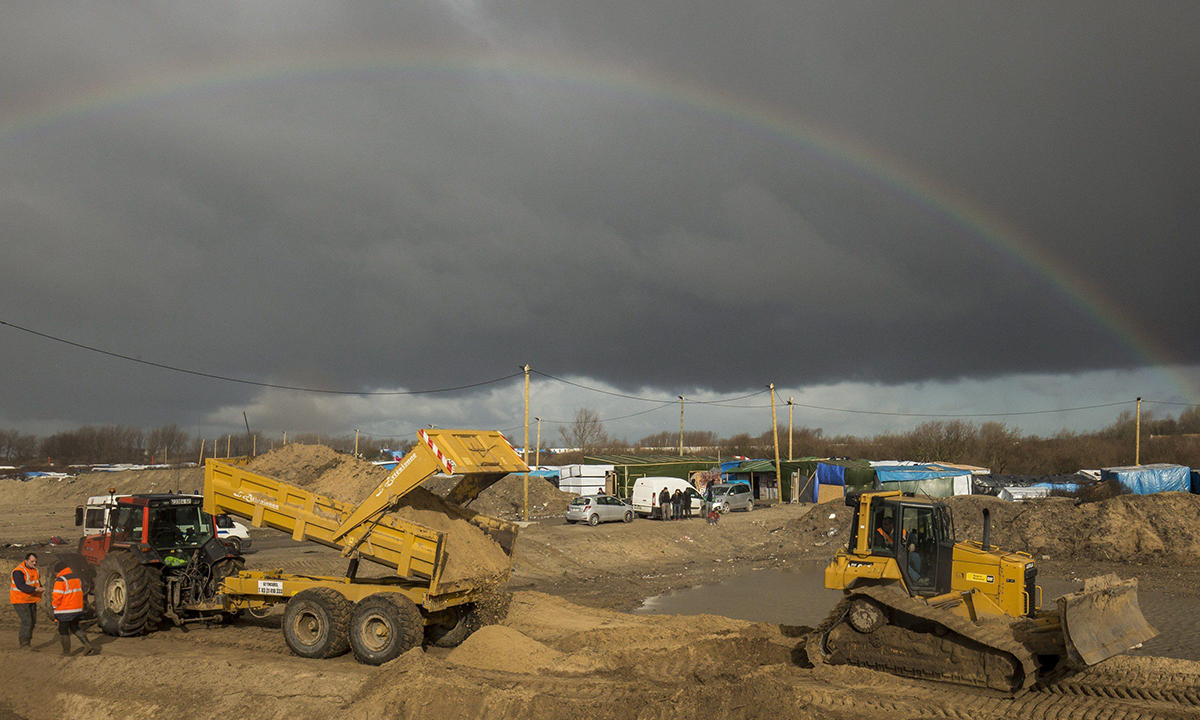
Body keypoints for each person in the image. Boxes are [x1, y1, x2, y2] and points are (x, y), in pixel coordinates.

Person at [51, 561, 95, 656]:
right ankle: (87, 645)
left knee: (63, 629)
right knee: (74, 627)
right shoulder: (76, 579)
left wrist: (54, 607)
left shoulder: (60, 580)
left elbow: (57, 596)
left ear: (59, 571)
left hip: (65, 610)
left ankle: (66, 652)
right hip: (77, 609)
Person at [10, 552, 42, 649]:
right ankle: (24, 644)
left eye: (35, 561)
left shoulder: (35, 570)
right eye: (32, 561)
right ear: (26, 561)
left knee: (32, 621)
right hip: (20, 600)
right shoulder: (18, 571)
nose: (34, 563)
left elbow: (37, 582)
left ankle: (27, 642)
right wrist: (35, 589)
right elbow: (21, 586)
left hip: (31, 599)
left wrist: (40, 588)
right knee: (27, 621)